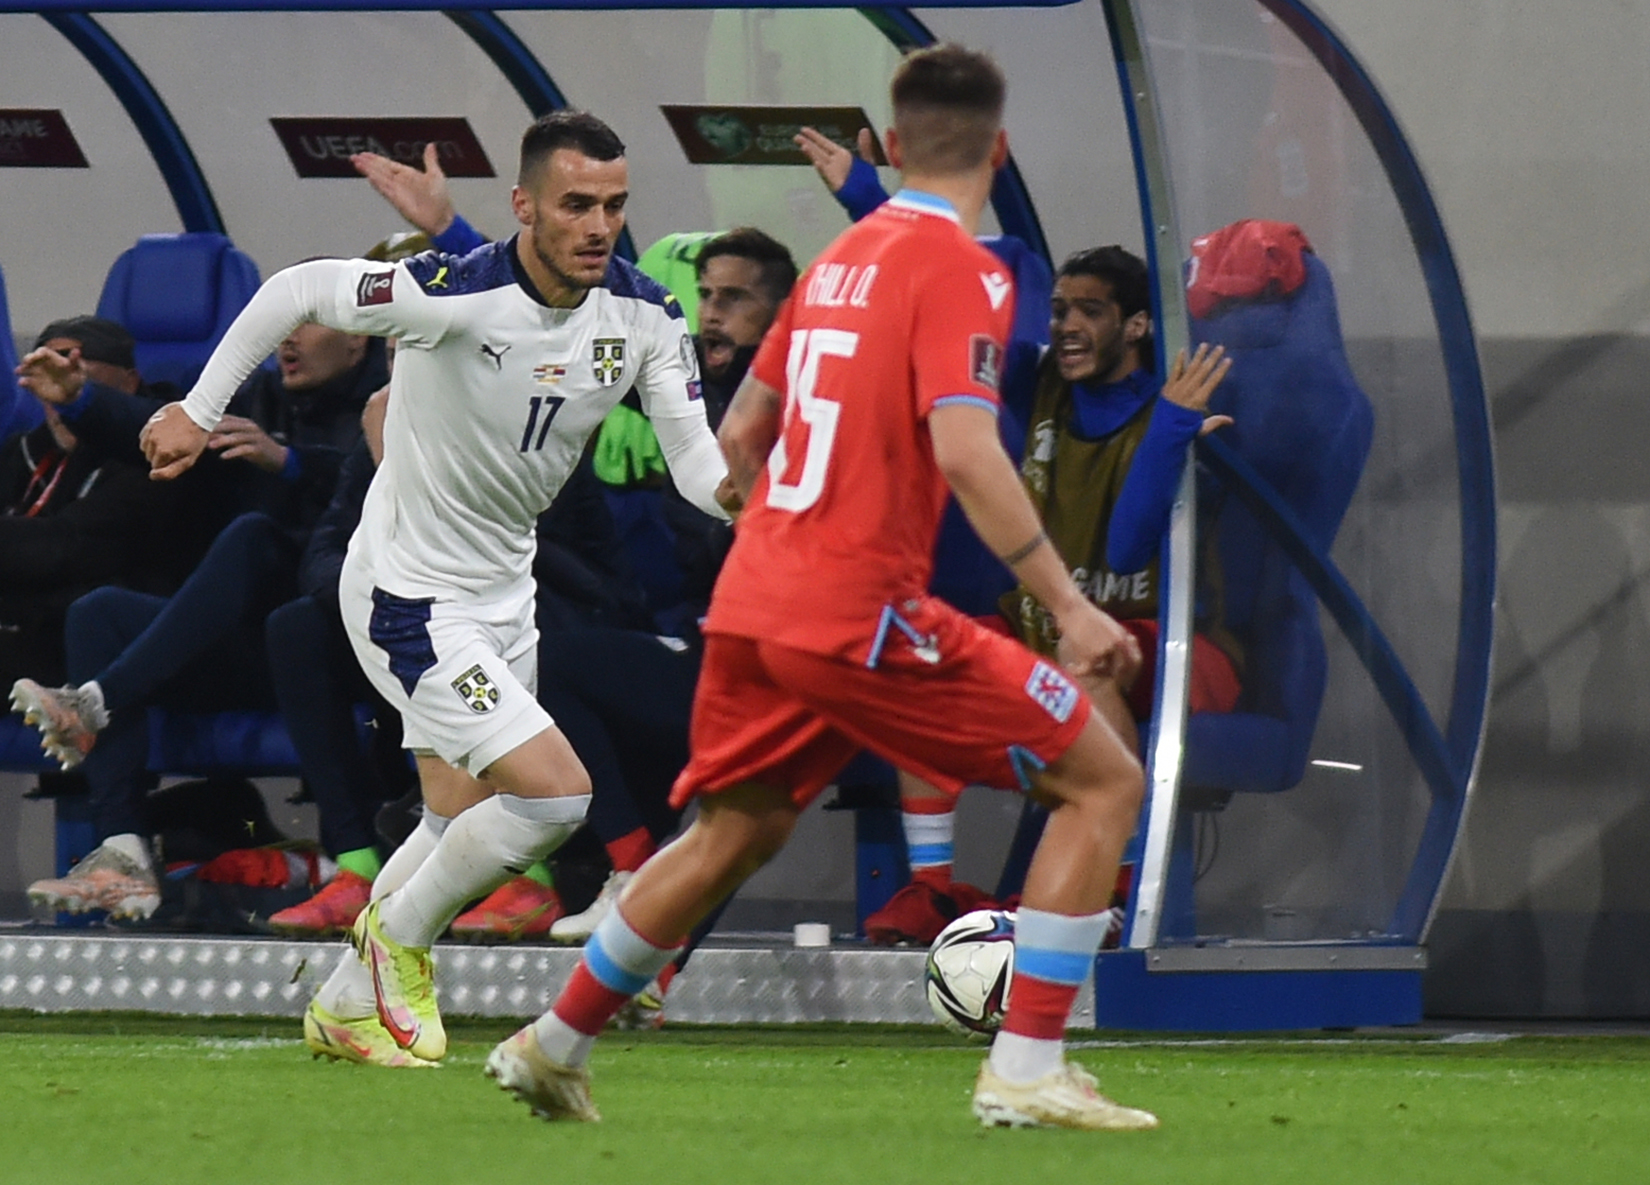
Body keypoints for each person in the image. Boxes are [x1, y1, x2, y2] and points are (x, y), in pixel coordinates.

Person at [486, 45, 1216, 1131]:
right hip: (856, 606)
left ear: (888, 148)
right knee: (1104, 784)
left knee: (737, 831)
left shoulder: (838, 260)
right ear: (997, 150)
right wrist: (1070, 608)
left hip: (755, 602)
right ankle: (1026, 1068)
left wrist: (783, 534)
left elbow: (742, 434)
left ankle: (551, 1045)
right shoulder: (968, 269)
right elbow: (967, 449)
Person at [136, 109, 731, 1070]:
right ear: (525, 206)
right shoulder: (450, 294)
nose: (598, 225)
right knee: (552, 801)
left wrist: (751, 497)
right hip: (408, 593)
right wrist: (198, 410)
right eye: (577, 204)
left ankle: (342, 1002)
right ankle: (398, 948)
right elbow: (295, 289)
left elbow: (697, 463)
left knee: (456, 819)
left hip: (508, 597)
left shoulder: (646, 317)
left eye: (615, 206)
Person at [797, 131, 1239, 946]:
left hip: (1178, 650)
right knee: (917, 656)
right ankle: (932, 890)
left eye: (1090, 311)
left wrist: (1175, 428)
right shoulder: (1036, 376)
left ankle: (1116, 893)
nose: (1065, 325)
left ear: (1138, 324)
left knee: (1090, 657)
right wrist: (867, 195)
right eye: (1060, 307)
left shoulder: (1170, 405)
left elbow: (1126, 549)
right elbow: (941, 285)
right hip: (1051, 629)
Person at [12, 315, 384, 919]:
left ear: (357, 339)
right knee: (99, 613)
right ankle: (123, 849)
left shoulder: (384, 404)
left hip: (325, 648)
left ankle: (94, 703)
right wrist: (81, 400)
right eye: (283, 325)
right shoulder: (257, 396)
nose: (287, 339)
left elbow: (372, 485)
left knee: (256, 536)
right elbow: (160, 422)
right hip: (236, 646)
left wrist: (288, 462)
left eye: (308, 325)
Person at [2, 318, 182, 692]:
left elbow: (66, 548)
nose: (57, 385)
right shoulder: (21, 452)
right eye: (44, 369)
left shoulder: (158, 459)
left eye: (72, 366)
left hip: (94, 644)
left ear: (129, 382)